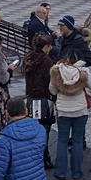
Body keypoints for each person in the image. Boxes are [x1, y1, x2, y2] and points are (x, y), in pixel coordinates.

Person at [49, 56, 91, 180]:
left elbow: (52, 90)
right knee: (77, 141)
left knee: (62, 141)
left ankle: (61, 172)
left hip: (63, 111)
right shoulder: (83, 72)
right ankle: (76, 172)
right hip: (80, 110)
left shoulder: (56, 72)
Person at [21, 34, 56, 169]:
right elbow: (50, 81)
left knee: (34, 128)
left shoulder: (29, 57)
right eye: (49, 46)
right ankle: (44, 156)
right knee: (44, 129)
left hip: (31, 97)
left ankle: (34, 155)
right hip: (44, 98)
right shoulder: (47, 61)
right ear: (46, 47)